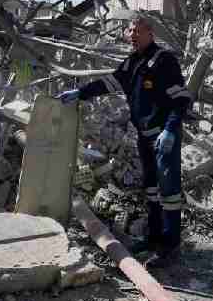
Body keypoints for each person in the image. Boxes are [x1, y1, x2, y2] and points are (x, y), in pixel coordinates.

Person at [58, 16, 192, 267]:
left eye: (137, 30)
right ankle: (153, 238)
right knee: (151, 189)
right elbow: (109, 83)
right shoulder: (132, 62)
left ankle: (171, 246)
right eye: (129, 31)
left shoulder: (164, 60)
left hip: (164, 137)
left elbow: (182, 99)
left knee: (169, 191)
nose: (132, 35)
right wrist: (80, 93)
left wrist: (171, 130)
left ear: (150, 32)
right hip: (144, 137)